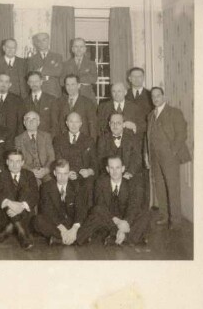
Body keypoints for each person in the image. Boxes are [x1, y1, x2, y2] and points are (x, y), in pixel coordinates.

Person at [76, 156, 150, 246]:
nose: (115, 171)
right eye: (112, 168)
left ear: (123, 169)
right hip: (109, 219)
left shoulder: (131, 184)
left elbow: (133, 206)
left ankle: (120, 236)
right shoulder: (100, 182)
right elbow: (100, 206)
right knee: (96, 210)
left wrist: (126, 222)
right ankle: (124, 236)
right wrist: (118, 222)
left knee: (145, 213)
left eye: (117, 168)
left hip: (124, 219)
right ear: (107, 169)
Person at [146, 87, 191, 231]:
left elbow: (181, 134)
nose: (155, 98)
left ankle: (176, 220)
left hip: (170, 156)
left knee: (172, 187)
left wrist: (173, 151)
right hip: (155, 156)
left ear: (163, 96)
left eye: (158, 95)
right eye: (153, 96)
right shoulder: (151, 115)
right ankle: (164, 216)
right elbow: (147, 137)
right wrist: (147, 154)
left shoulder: (174, 112)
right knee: (159, 186)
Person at [33, 159, 87, 246]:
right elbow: (47, 211)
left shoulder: (76, 186)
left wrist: (74, 229)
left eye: (65, 174)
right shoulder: (46, 187)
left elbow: (81, 210)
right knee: (37, 220)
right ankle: (76, 239)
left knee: (89, 219)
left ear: (69, 173)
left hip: (72, 224)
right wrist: (63, 230)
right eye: (59, 174)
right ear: (54, 173)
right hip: (57, 224)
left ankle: (59, 240)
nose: (62, 177)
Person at [0, 149, 39, 250]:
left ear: (22, 163)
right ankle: (22, 232)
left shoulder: (29, 175)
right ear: (7, 162)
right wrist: (10, 203)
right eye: (11, 161)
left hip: (24, 214)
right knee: (6, 194)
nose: (14, 165)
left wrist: (21, 206)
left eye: (18, 161)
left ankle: (8, 230)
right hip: (6, 214)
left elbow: (35, 195)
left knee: (26, 192)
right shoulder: (1, 175)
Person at [53, 112, 97, 207]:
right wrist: (66, 173)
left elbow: (94, 162)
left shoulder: (89, 140)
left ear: (81, 123)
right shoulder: (58, 140)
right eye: (71, 122)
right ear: (66, 123)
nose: (74, 125)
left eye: (76, 122)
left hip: (84, 177)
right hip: (65, 175)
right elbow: (57, 160)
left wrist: (89, 171)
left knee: (89, 186)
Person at [97, 112, 143, 189]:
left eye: (118, 123)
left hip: (128, 174)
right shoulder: (103, 139)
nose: (115, 125)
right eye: (112, 123)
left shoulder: (132, 138)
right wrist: (112, 175)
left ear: (123, 124)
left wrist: (129, 173)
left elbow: (137, 158)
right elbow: (101, 160)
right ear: (109, 124)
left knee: (137, 185)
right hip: (110, 175)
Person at [15, 111, 55, 184]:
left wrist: (46, 170)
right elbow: (19, 160)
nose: (31, 121)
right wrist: (31, 171)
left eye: (34, 119)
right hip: (28, 172)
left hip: (46, 172)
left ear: (38, 122)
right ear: (24, 123)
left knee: (52, 184)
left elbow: (51, 157)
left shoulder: (46, 136)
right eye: (28, 119)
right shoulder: (18, 139)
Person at [57, 73, 98, 140]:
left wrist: (92, 144)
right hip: (64, 142)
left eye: (73, 84)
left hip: (83, 141)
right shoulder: (59, 103)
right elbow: (56, 126)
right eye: (67, 85)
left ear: (78, 85)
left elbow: (93, 127)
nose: (70, 88)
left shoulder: (88, 103)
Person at [0, 72, 24, 138]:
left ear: (10, 85)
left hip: (11, 140)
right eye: (1, 81)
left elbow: (21, 123)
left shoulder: (17, 100)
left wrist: (18, 140)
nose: (4, 84)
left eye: (6, 82)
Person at [23, 71, 59, 138]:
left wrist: (50, 140)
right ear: (28, 83)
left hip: (48, 139)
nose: (34, 84)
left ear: (41, 82)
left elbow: (55, 124)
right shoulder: (24, 101)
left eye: (36, 81)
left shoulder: (51, 99)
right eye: (31, 81)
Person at [26, 32, 63, 98]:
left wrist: (40, 70)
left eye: (44, 40)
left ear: (48, 41)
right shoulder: (32, 59)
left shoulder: (57, 57)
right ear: (36, 43)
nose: (41, 43)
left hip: (53, 91)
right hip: (38, 91)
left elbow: (58, 72)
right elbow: (30, 75)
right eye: (39, 41)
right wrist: (49, 73)